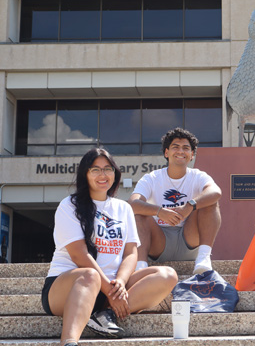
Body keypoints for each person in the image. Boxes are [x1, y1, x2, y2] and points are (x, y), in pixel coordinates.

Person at [41, 148, 178, 346]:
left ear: (115, 174)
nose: (103, 175)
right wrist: (109, 289)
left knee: (168, 275)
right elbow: (79, 254)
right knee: (89, 274)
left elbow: (131, 252)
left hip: (109, 291)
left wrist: (120, 283)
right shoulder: (69, 205)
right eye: (95, 169)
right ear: (85, 174)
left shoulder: (123, 208)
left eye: (108, 169)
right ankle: (69, 342)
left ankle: (107, 315)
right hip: (67, 288)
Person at [129, 127, 221, 274]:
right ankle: (140, 266)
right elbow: (132, 203)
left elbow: (216, 192)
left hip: (189, 240)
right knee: (139, 212)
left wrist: (189, 206)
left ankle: (203, 258)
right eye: (175, 147)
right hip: (158, 243)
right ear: (166, 153)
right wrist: (159, 211)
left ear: (192, 155)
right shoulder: (151, 178)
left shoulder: (198, 176)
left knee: (209, 200)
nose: (180, 151)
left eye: (186, 148)